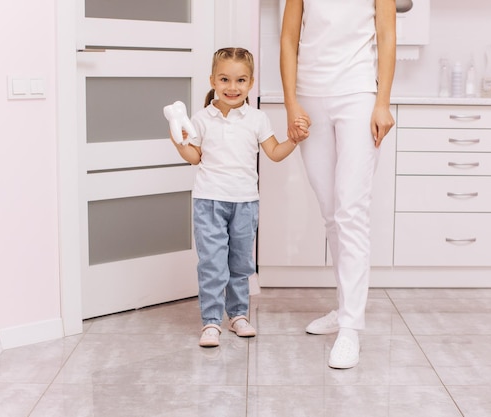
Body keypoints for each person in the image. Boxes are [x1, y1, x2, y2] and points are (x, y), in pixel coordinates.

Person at [280, 0, 396, 368]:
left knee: (351, 211)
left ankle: (350, 327)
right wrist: (291, 104)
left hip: (358, 95)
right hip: (310, 98)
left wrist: (383, 103)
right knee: (331, 213)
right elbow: (288, 38)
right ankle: (344, 307)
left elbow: (387, 35)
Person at [170, 47, 310, 348]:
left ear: (250, 83)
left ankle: (237, 315)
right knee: (212, 263)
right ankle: (211, 321)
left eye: (240, 80)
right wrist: (180, 144)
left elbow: (274, 153)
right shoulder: (201, 119)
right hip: (209, 201)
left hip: (245, 203)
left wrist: (294, 141)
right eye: (224, 79)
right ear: (212, 81)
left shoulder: (257, 119)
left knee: (240, 263)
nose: (232, 87)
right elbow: (194, 157)